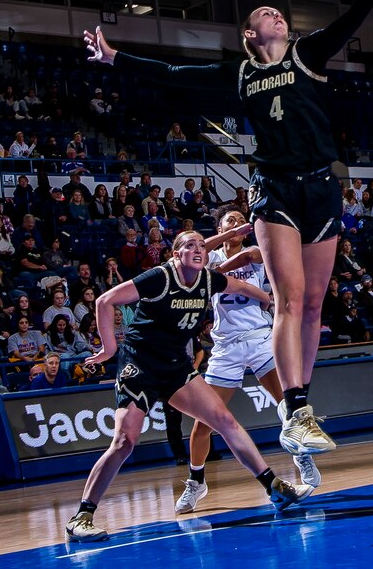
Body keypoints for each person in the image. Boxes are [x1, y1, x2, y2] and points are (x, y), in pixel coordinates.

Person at [83, 0, 373, 457]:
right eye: (267, 13)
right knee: (288, 295)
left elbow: (350, 20)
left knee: (313, 304)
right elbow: (175, 74)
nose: (278, 15)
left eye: (280, 13)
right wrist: (115, 59)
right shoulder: (240, 74)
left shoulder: (308, 53)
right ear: (249, 33)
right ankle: (297, 407)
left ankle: (300, 406)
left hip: (321, 187)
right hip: (275, 188)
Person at [64, 230, 312, 542]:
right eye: (189, 245)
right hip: (140, 366)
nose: (197, 249)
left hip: (176, 368)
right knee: (125, 441)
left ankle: (275, 488)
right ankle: (81, 517)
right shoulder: (160, 277)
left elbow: (243, 287)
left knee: (224, 420)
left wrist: (271, 302)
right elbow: (105, 300)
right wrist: (109, 347)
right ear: (176, 253)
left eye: (200, 245)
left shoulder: (208, 280)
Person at [173, 207, 320, 515]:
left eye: (242, 220)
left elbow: (245, 258)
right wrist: (221, 244)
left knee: (289, 405)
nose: (238, 223)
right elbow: (203, 249)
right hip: (225, 348)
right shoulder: (206, 258)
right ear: (220, 227)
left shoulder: (254, 251)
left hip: (259, 338)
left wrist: (210, 278)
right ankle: (196, 480)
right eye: (231, 220)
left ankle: (301, 455)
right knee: (204, 424)